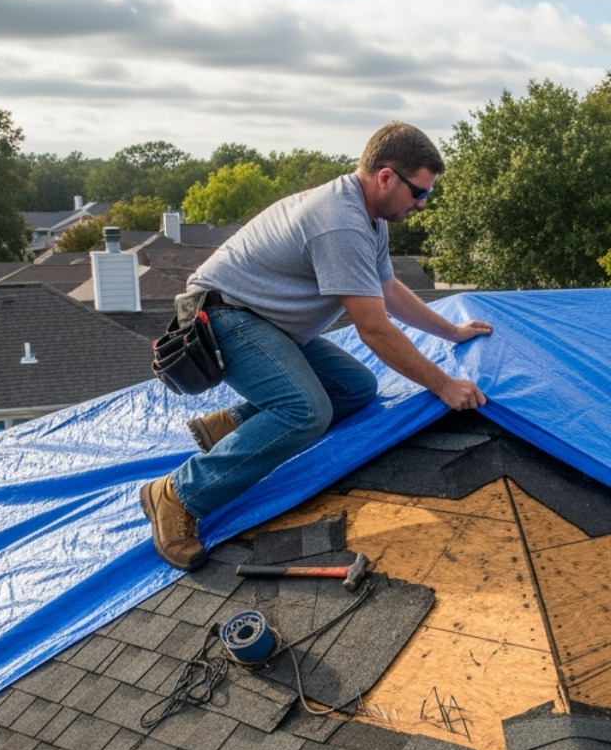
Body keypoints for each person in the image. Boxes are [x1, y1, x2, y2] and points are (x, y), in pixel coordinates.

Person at [140, 122, 492, 570]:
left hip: (265, 320)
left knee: (356, 388)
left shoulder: (369, 218)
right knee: (306, 411)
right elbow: (375, 330)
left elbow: (386, 290)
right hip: (223, 317)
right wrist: (443, 385)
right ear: (385, 177)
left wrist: (452, 332)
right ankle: (179, 492)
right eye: (419, 193)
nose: (423, 204)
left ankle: (231, 427)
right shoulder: (340, 224)